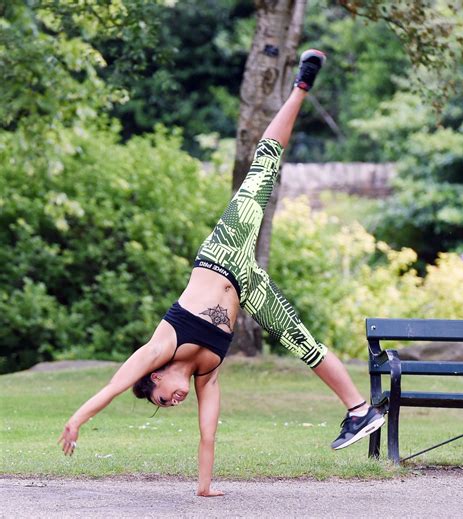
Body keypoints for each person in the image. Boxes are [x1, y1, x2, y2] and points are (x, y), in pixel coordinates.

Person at [58, 50, 385, 496]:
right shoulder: (205, 373)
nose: (171, 401)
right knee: (304, 344)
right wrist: (205, 489)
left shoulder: (159, 349)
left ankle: (301, 86)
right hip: (248, 284)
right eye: (168, 406)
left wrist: (76, 420)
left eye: (160, 398)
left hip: (222, 251)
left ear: (154, 379)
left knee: (262, 167)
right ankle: (359, 410)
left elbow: (115, 386)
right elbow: (207, 435)